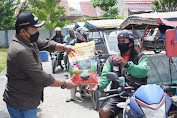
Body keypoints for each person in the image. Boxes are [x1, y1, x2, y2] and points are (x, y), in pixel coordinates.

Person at [3, 12, 78, 118]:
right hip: (22, 102)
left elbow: (45, 44)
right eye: (34, 29)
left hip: (28, 99)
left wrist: (65, 48)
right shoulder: (20, 50)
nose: (37, 31)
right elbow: (41, 77)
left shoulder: (27, 39)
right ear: (23, 31)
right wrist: (65, 83)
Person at [87, 30, 150, 118]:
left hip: (139, 93)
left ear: (131, 43)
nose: (120, 43)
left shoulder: (140, 57)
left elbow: (142, 72)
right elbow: (105, 76)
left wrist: (126, 64)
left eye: (123, 41)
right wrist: (98, 85)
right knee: (104, 112)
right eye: (119, 41)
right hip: (118, 94)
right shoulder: (112, 60)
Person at [66, 27, 103, 102]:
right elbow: (69, 53)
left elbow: (92, 51)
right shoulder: (72, 43)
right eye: (85, 35)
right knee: (73, 77)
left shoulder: (88, 42)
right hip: (77, 63)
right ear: (79, 35)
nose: (86, 37)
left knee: (98, 67)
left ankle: (100, 87)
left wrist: (96, 52)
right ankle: (72, 97)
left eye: (87, 35)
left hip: (88, 62)